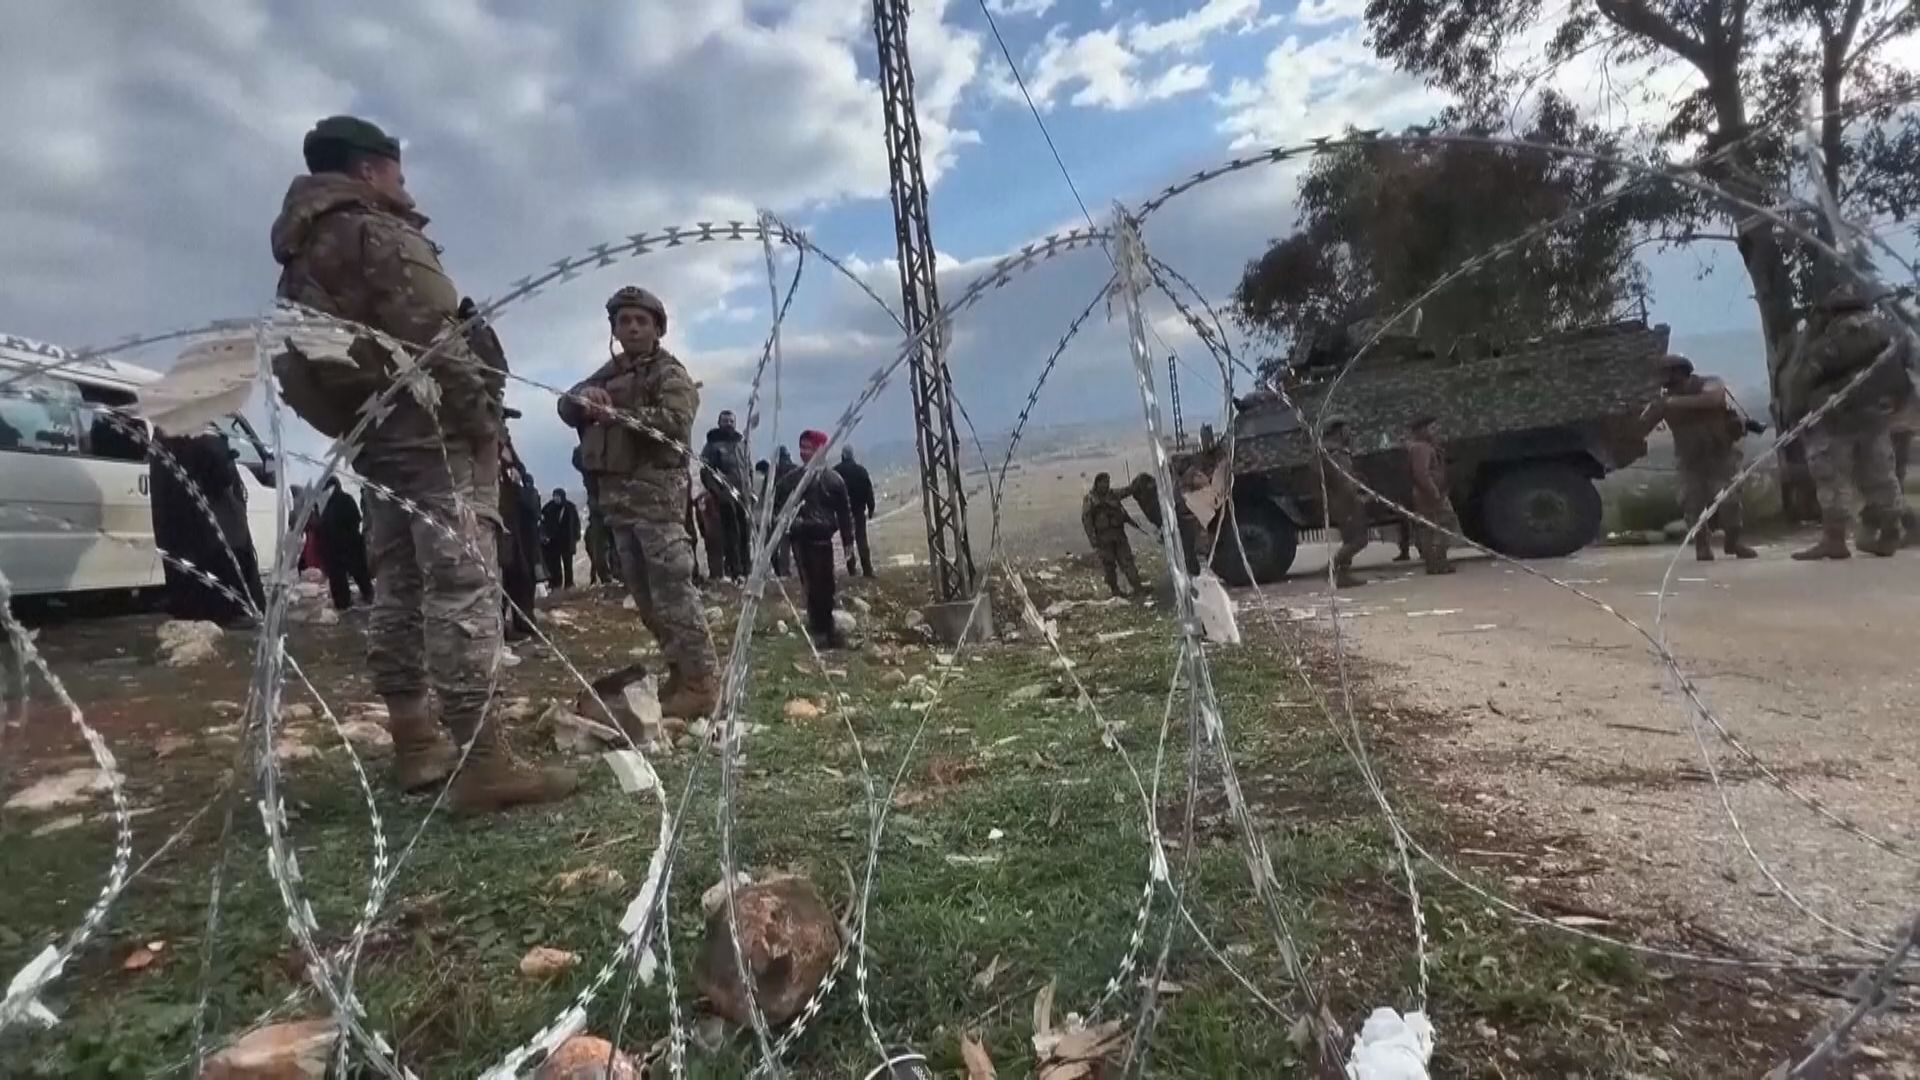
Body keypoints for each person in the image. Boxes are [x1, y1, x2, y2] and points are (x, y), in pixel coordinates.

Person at [269, 115, 575, 810]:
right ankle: (483, 762)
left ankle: (415, 742)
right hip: (432, 432)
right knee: (462, 584)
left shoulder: (302, 260)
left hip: (376, 437)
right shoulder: (379, 233)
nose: (404, 186)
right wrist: (481, 421)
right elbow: (437, 335)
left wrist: (357, 425)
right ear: (371, 169)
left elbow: (299, 368)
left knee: (398, 583)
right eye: (398, 173)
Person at [559, 286, 719, 718]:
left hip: (656, 502)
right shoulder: (608, 373)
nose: (631, 327)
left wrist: (620, 416)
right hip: (618, 504)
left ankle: (702, 683)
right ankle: (679, 673)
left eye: (640, 321)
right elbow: (565, 403)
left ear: (657, 328)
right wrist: (584, 400)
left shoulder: (668, 374)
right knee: (646, 596)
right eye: (624, 321)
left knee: (672, 591)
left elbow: (675, 421)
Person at [1782, 281, 1911, 560]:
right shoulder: (1889, 332)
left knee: (1832, 479)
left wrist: (1795, 413)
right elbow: (1904, 375)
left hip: (1835, 418)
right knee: (1880, 477)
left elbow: (1806, 376)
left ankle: (1834, 539)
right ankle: (1890, 533)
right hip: (1875, 416)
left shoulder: (1834, 337)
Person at [1641, 355, 1760, 561]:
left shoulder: (1708, 383)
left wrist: (1670, 402)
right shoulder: (1664, 400)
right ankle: (1701, 546)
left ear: (1679, 373)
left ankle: (1733, 542)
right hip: (1690, 459)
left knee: (1729, 500)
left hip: (1721, 454)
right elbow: (1643, 425)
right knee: (1692, 503)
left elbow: (1712, 398)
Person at [151, 429, 264, 626]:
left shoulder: (161, 439)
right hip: (216, 548)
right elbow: (221, 475)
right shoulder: (199, 434)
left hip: (182, 554)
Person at [777, 429, 855, 648]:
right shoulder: (792, 480)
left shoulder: (833, 480)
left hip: (823, 539)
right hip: (802, 540)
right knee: (811, 585)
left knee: (826, 585)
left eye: (809, 448)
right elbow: (779, 507)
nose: (803, 452)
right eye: (802, 447)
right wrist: (790, 524)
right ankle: (819, 629)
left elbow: (844, 512)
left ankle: (826, 627)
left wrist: (848, 541)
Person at [498, 427, 541, 641]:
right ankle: (500, 629)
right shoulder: (488, 447)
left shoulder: (509, 450)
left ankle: (523, 621)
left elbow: (521, 473)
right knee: (502, 573)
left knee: (522, 574)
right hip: (500, 519)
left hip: (517, 521)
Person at [699, 409, 752, 580]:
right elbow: (706, 472)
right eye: (725, 421)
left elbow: (748, 469)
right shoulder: (712, 445)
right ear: (719, 423)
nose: (729, 424)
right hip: (724, 497)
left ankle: (746, 569)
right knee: (731, 534)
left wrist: (749, 490)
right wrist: (717, 492)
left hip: (743, 496)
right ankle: (733, 570)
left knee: (745, 532)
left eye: (731, 421)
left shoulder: (741, 445)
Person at [1318, 420, 1370, 587]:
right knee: (1360, 539)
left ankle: (1343, 576)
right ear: (1339, 431)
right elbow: (1344, 480)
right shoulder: (1336, 454)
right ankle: (1331, 567)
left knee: (1350, 538)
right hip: (1345, 501)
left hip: (1337, 501)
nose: (1350, 433)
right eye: (1347, 429)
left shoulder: (1328, 451)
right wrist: (1359, 496)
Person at [1404, 416, 1458, 575]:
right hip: (1429, 494)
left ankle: (1434, 563)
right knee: (1446, 523)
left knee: (1430, 528)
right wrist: (1433, 491)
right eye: (1432, 428)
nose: (1435, 431)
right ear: (1422, 430)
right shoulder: (1421, 448)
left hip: (1428, 493)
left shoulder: (1424, 447)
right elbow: (1421, 473)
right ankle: (1438, 560)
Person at [1124, 472, 1201, 577]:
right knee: (1184, 551)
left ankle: (1191, 573)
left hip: (1176, 524)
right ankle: (1190, 573)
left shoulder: (1155, 496)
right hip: (1173, 525)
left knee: (1185, 551)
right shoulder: (1154, 495)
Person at [1082, 472, 1145, 597]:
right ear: (1097, 483)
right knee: (1109, 565)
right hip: (1103, 539)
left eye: (1108, 482)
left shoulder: (1113, 495)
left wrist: (1136, 484)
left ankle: (1138, 588)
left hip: (1118, 535)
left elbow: (1126, 491)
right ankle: (1115, 590)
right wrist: (1093, 539)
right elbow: (1087, 520)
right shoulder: (1090, 499)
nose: (1106, 485)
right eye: (1104, 482)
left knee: (1127, 561)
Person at [318, 478, 374, 610]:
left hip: (342, 545)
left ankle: (348, 602)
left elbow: (325, 525)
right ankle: (362, 597)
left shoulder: (330, 504)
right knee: (357, 574)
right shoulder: (343, 500)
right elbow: (356, 519)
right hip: (347, 544)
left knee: (348, 576)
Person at [835, 447, 877, 578]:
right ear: (852, 456)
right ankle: (867, 570)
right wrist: (871, 508)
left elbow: (830, 493)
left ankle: (851, 570)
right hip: (859, 511)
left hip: (843, 513)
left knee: (848, 542)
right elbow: (869, 491)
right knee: (861, 540)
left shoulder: (836, 472)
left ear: (842, 456)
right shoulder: (861, 471)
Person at [539, 487, 581, 591]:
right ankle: (556, 583)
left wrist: (576, 536)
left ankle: (569, 583)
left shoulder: (570, 508)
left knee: (568, 563)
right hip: (553, 542)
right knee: (554, 564)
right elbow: (543, 521)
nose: (556, 498)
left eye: (558, 496)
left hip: (567, 541)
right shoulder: (549, 507)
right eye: (554, 496)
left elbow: (575, 523)